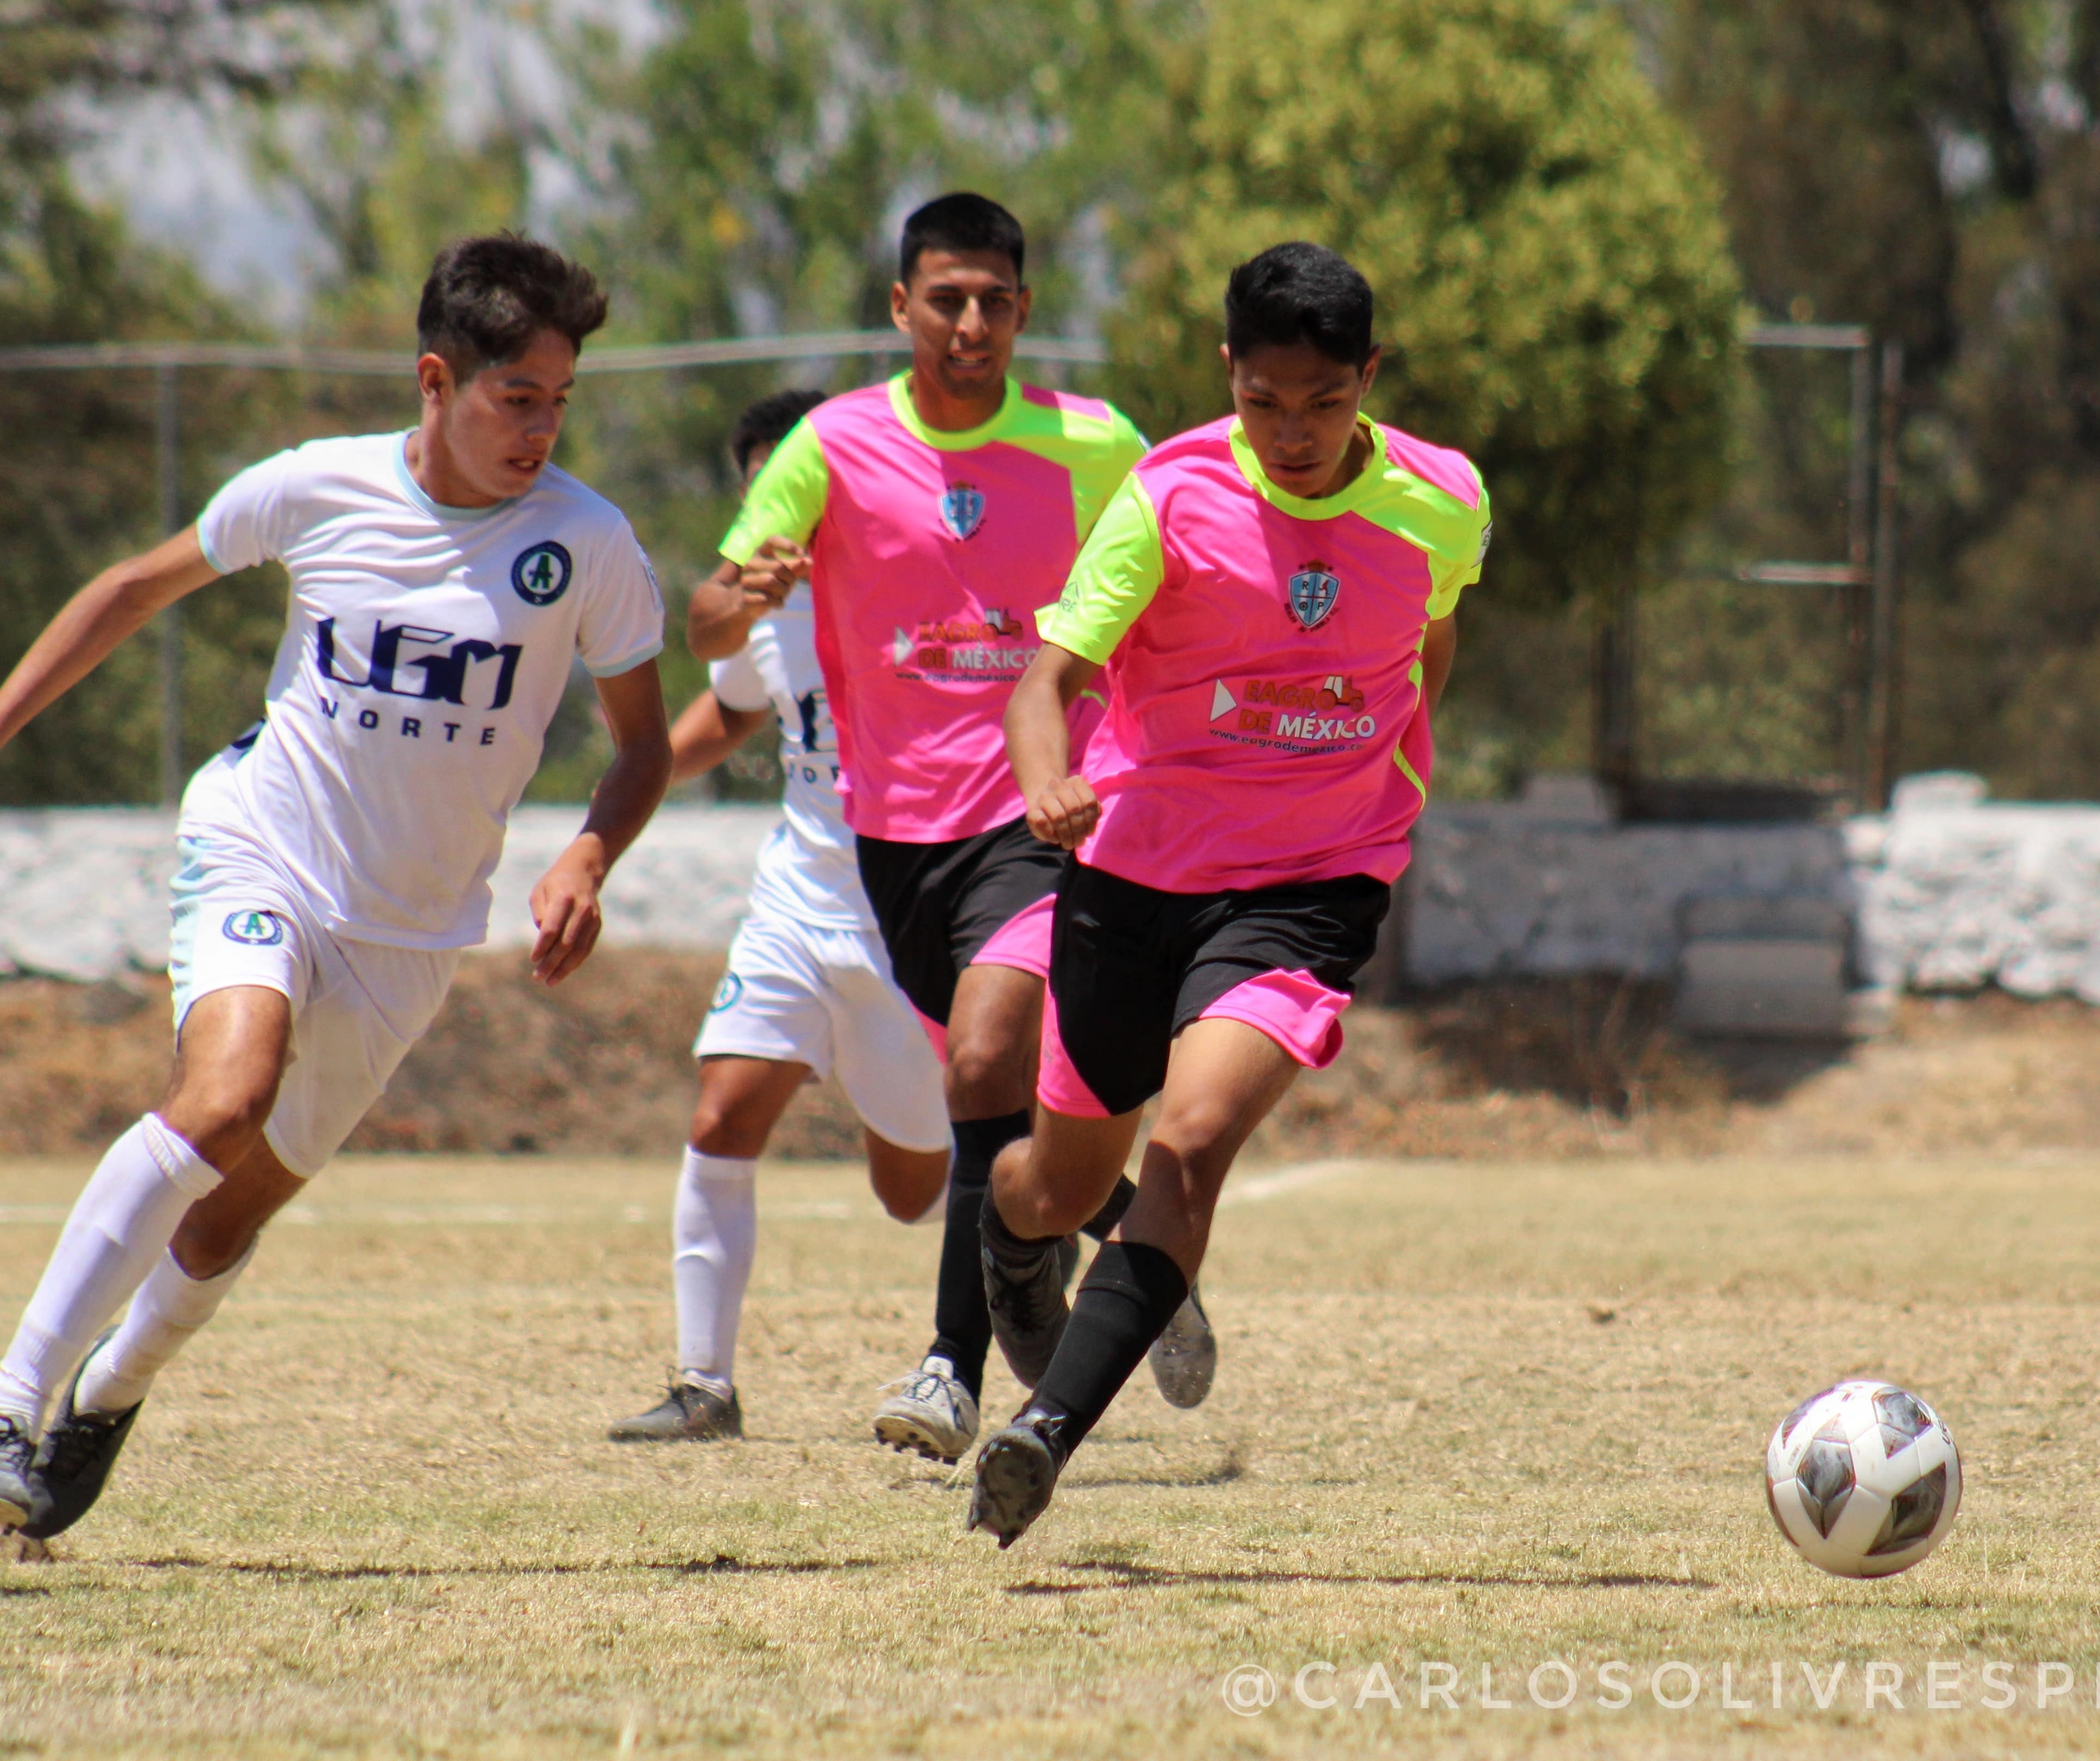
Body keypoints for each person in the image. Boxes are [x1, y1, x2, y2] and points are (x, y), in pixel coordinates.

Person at [0, 235, 674, 1540]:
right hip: (265, 848)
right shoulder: (320, 488)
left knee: (230, 1212)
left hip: (413, 927)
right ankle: (0, 1406)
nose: (540, 428)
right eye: (513, 397)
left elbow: (642, 743)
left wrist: (590, 850)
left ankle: (106, 1392)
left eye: (559, 401)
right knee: (224, 1098)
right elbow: (137, 586)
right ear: (436, 378)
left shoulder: (586, 546)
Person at [963, 240, 1488, 1547]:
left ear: (1368, 376)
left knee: (1191, 1143)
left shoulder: (1445, 500)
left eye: (1323, 401)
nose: (1293, 432)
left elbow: (1432, 640)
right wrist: (1045, 788)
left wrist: (1389, 765)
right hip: (1133, 873)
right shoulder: (1167, 495)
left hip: (1314, 880)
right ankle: (1017, 1244)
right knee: (1054, 1175)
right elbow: (1047, 686)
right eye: (1264, 401)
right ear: (1228, 375)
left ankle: (1043, 1435)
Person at [687, 192, 1213, 1465]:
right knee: (1002, 1118)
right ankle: (1109, 1226)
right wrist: (737, 592)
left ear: (1024, 310)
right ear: (900, 307)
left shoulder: (1098, 446)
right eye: (945, 298)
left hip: (1045, 810)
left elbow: (1184, 569)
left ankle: (948, 1368)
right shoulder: (831, 442)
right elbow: (710, 622)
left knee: (983, 1059)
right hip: (893, 839)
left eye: (993, 300)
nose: (969, 322)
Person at [607, 390, 955, 1443]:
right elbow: (739, 702)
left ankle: (1048, 1217)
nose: (782, 504)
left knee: (914, 1190)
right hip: (798, 899)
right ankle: (704, 1384)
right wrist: (635, 778)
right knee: (723, 1113)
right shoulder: (760, 603)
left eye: (798, 477)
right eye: (762, 483)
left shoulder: (917, 578)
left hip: (910, 915)